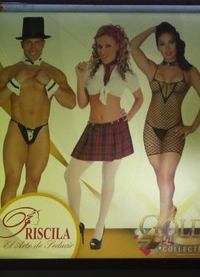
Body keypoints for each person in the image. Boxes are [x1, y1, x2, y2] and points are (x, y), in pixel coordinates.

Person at [66, 24, 144, 250]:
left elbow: (139, 98)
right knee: (70, 175)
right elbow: (82, 104)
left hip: (115, 130)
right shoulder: (90, 71)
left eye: (108, 46)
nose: (102, 50)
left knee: (108, 179)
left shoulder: (126, 74)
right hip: (93, 129)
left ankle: (100, 227)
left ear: (118, 46)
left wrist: (129, 116)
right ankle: (76, 222)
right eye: (99, 46)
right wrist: (79, 77)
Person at [129, 22, 200, 242]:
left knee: (167, 175)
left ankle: (163, 226)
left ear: (177, 43)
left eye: (170, 42)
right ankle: (169, 209)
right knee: (161, 176)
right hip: (151, 129)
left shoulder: (189, 72)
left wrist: (192, 126)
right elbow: (133, 46)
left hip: (173, 131)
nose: (167, 48)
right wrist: (153, 28)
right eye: (162, 44)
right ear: (158, 47)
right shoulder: (152, 68)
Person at [0, 17, 76, 207]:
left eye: (37, 42)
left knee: (33, 183)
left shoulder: (53, 73)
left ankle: (23, 223)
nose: (33, 48)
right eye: (29, 43)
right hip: (17, 128)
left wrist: (50, 84)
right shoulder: (10, 71)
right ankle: (4, 225)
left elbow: (71, 103)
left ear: (43, 44)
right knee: (12, 180)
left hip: (41, 130)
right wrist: (15, 82)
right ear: (22, 44)